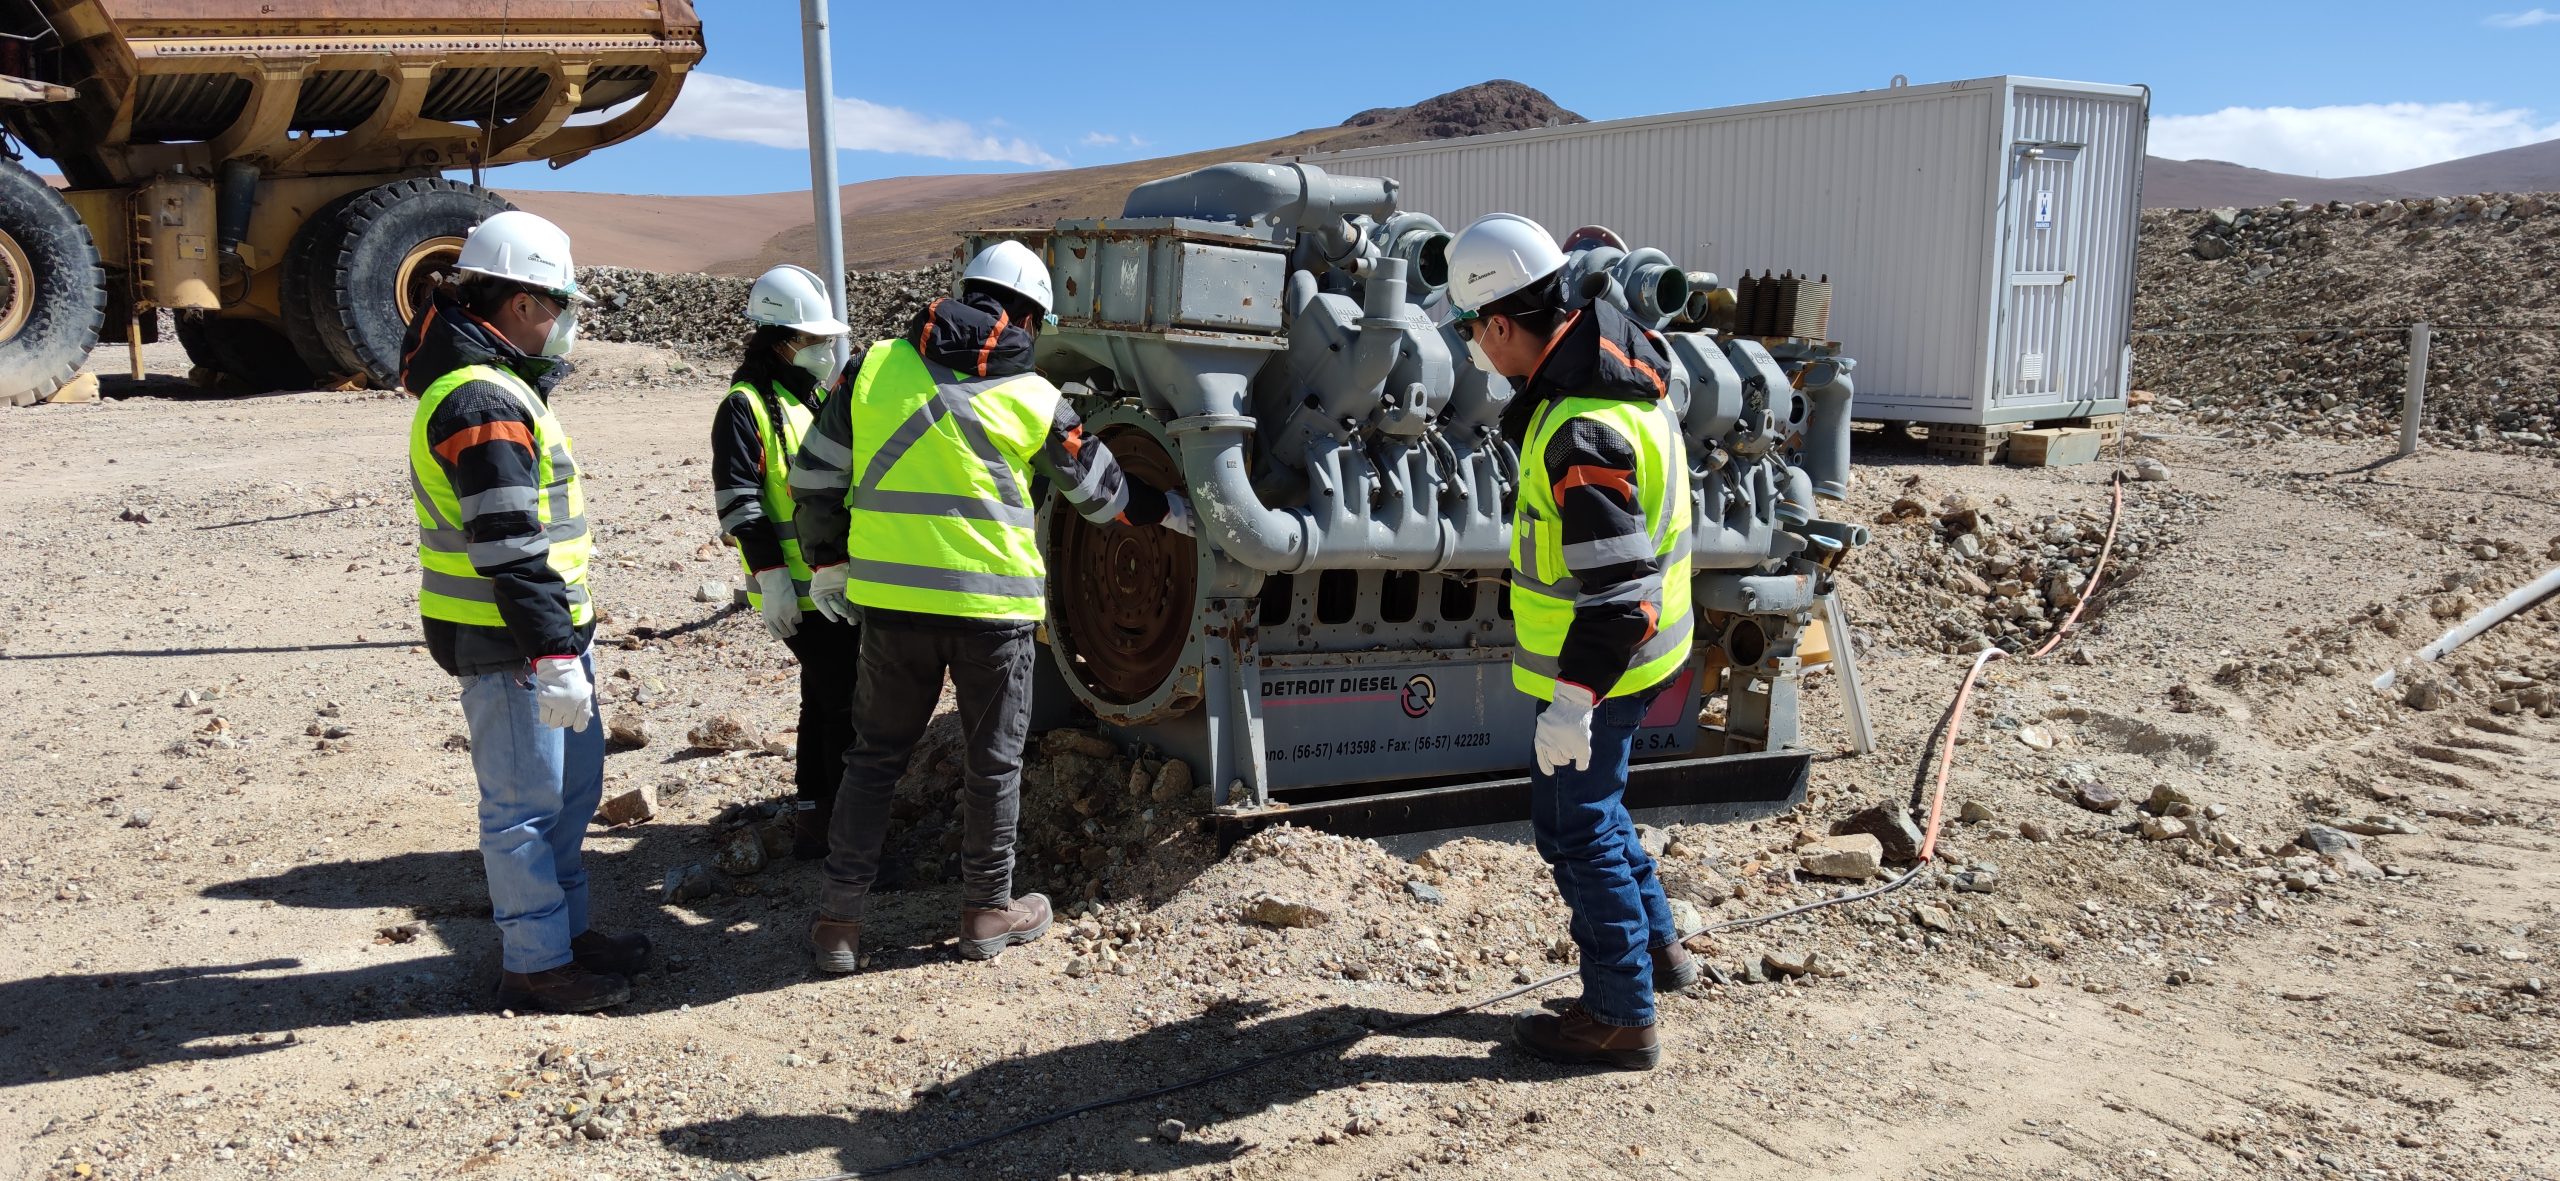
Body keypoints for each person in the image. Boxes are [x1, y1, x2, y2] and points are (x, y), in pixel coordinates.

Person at [789, 239, 1193, 972]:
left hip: (891, 605)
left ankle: (839, 923)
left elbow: (813, 473)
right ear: (1026, 318)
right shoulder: (1036, 395)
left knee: (874, 756)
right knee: (993, 762)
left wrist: (827, 562)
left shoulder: (872, 366)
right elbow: (1102, 495)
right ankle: (985, 911)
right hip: (990, 608)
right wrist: (1165, 509)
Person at [1442, 212, 1697, 1069]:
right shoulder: (1623, 378)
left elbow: (1620, 596)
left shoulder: (1581, 427)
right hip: (1638, 660)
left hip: (1606, 668)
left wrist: (1573, 700)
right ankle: (1658, 953)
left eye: (1477, 333)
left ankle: (1621, 1014)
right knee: (1602, 809)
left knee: (1575, 826)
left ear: (1504, 324)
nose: (1478, 351)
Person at [403, 209, 650, 1014]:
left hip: (542, 639)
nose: (566, 325)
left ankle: (565, 937)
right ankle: (536, 963)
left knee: (568, 799)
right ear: (519, 306)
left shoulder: (501, 386)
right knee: (523, 810)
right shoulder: (481, 400)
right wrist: (549, 652)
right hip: (509, 643)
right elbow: (508, 543)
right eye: (559, 307)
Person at [713, 264, 859, 860]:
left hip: (827, 583)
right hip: (797, 590)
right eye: (815, 340)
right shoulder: (744, 406)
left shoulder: (812, 398)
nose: (826, 350)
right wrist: (772, 578)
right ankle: (841, 830)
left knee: (823, 699)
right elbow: (740, 503)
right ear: (782, 342)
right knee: (841, 704)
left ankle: (813, 819)